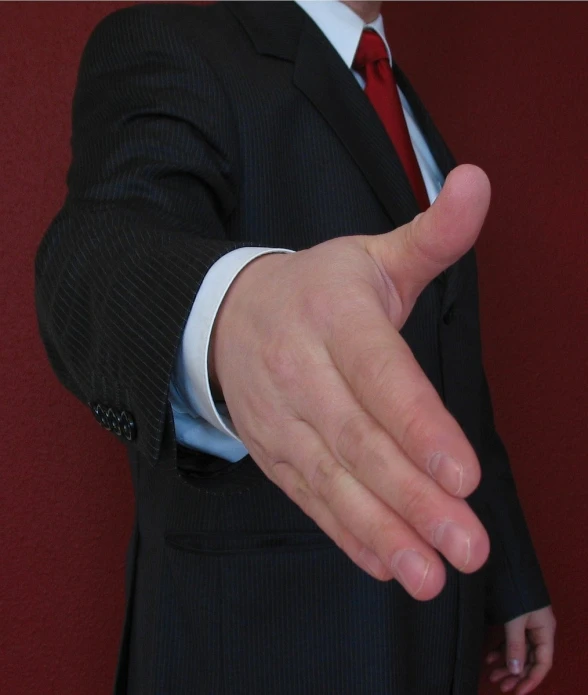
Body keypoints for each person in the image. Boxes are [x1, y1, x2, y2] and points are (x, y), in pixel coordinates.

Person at [35, 1, 555, 693]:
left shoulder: (398, 96)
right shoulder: (175, 44)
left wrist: (509, 575)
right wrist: (231, 313)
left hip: (438, 627)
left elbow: (449, 363)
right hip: (269, 640)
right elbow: (93, 255)